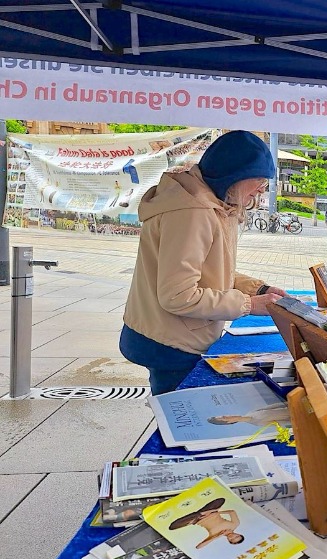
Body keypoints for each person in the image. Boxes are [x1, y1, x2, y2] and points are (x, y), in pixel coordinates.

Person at [119, 130, 288, 395]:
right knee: (180, 419)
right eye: (257, 180)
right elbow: (178, 295)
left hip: (171, 335)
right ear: (234, 176)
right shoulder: (192, 213)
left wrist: (258, 290)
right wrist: (249, 305)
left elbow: (212, 271)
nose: (262, 189)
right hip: (171, 343)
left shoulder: (211, 202)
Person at [168, 498, 244, 549]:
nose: (232, 537)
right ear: (238, 534)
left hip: (197, 519)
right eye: (236, 536)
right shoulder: (235, 524)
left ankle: (199, 514)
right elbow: (232, 512)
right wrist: (214, 511)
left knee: (172, 527)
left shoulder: (214, 536)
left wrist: (217, 536)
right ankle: (201, 513)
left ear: (228, 540)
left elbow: (198, 547)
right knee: (221, 500)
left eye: (232, 539)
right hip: (211, 511)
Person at [207, 403, 290, 428]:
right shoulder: (259, 423)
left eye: (223, 415)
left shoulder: (251, 412)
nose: (228, 415)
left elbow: (274, 406)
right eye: (224, 418)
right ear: (229, 422)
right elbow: (284, 423)